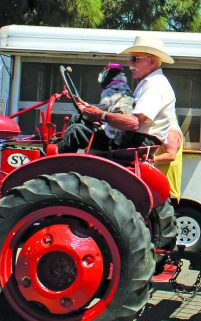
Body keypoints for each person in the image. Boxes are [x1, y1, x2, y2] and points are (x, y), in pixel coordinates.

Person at [75, 34, 183, 200]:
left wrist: (101, 115)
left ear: (152, 61)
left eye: (135, 59)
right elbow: (126, 116)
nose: (130, 65)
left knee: (78, 132)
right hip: (138, 139)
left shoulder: (154, 85)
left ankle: (59, 180)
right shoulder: (149, 83)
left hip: (138, 141)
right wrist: (95, 112)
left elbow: (134, 122)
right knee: (87, 133)